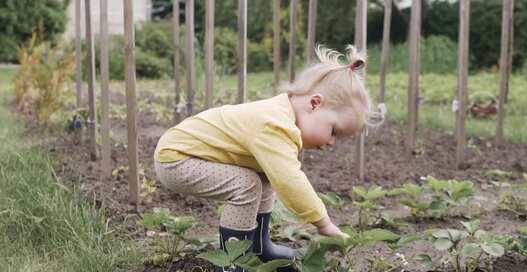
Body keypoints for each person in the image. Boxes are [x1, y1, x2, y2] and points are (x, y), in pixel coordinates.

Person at [153, 45, 377, 272]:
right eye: (334, 132)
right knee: (246, 185)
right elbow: (291, 181)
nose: (332, 143)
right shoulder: (275, 124)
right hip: (177, 158)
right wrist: (324, 224)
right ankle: (232, 262)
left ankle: (259, 248)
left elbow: (279, 178)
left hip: (189, 153)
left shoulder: (282, 113)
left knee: (265, 176)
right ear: (314, 103)